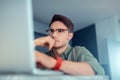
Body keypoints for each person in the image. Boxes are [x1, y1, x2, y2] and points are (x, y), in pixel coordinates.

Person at [34, 14, 105, 75]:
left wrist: (54, 63)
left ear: (70, 36)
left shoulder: (78, 51)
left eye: (60, 31)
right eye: (51, 31)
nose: (54, 35)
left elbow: (97, 71)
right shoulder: (43, 57)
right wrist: (36, 42)